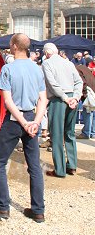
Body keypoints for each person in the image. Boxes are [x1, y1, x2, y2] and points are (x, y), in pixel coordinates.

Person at [0, 33, 47, 223]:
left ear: (13, 47)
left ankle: (3, 207)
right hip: (31, 119)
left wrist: (23, 122)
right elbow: (43, 100)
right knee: (35, 166)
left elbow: (7, 101)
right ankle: (38, 211)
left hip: (15, 120)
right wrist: (35, 122)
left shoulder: (8, 69)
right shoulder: (37, 69)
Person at [42, 42, 83, 177]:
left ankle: (59, 170)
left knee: (57, 135)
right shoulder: (69, 63)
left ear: (47, 53)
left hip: (59, 100)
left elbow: (52, 84)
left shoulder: (47, 64)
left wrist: (66, 98)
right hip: (72, 98)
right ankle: (72, 165)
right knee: (70, 133)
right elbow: (79, 82)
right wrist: (75, 98)